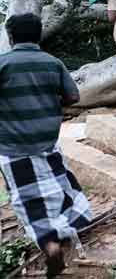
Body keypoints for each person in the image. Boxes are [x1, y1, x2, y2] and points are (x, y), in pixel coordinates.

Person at [0, 14, 92, 277]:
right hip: (47, 140)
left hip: (12, 146)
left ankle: (50, 244)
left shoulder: (3, 63)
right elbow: (73, 96)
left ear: (11, 36)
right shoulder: (53, 63)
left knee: (27, 197)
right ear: (38, 35)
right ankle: (66, 227)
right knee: (61, 187)